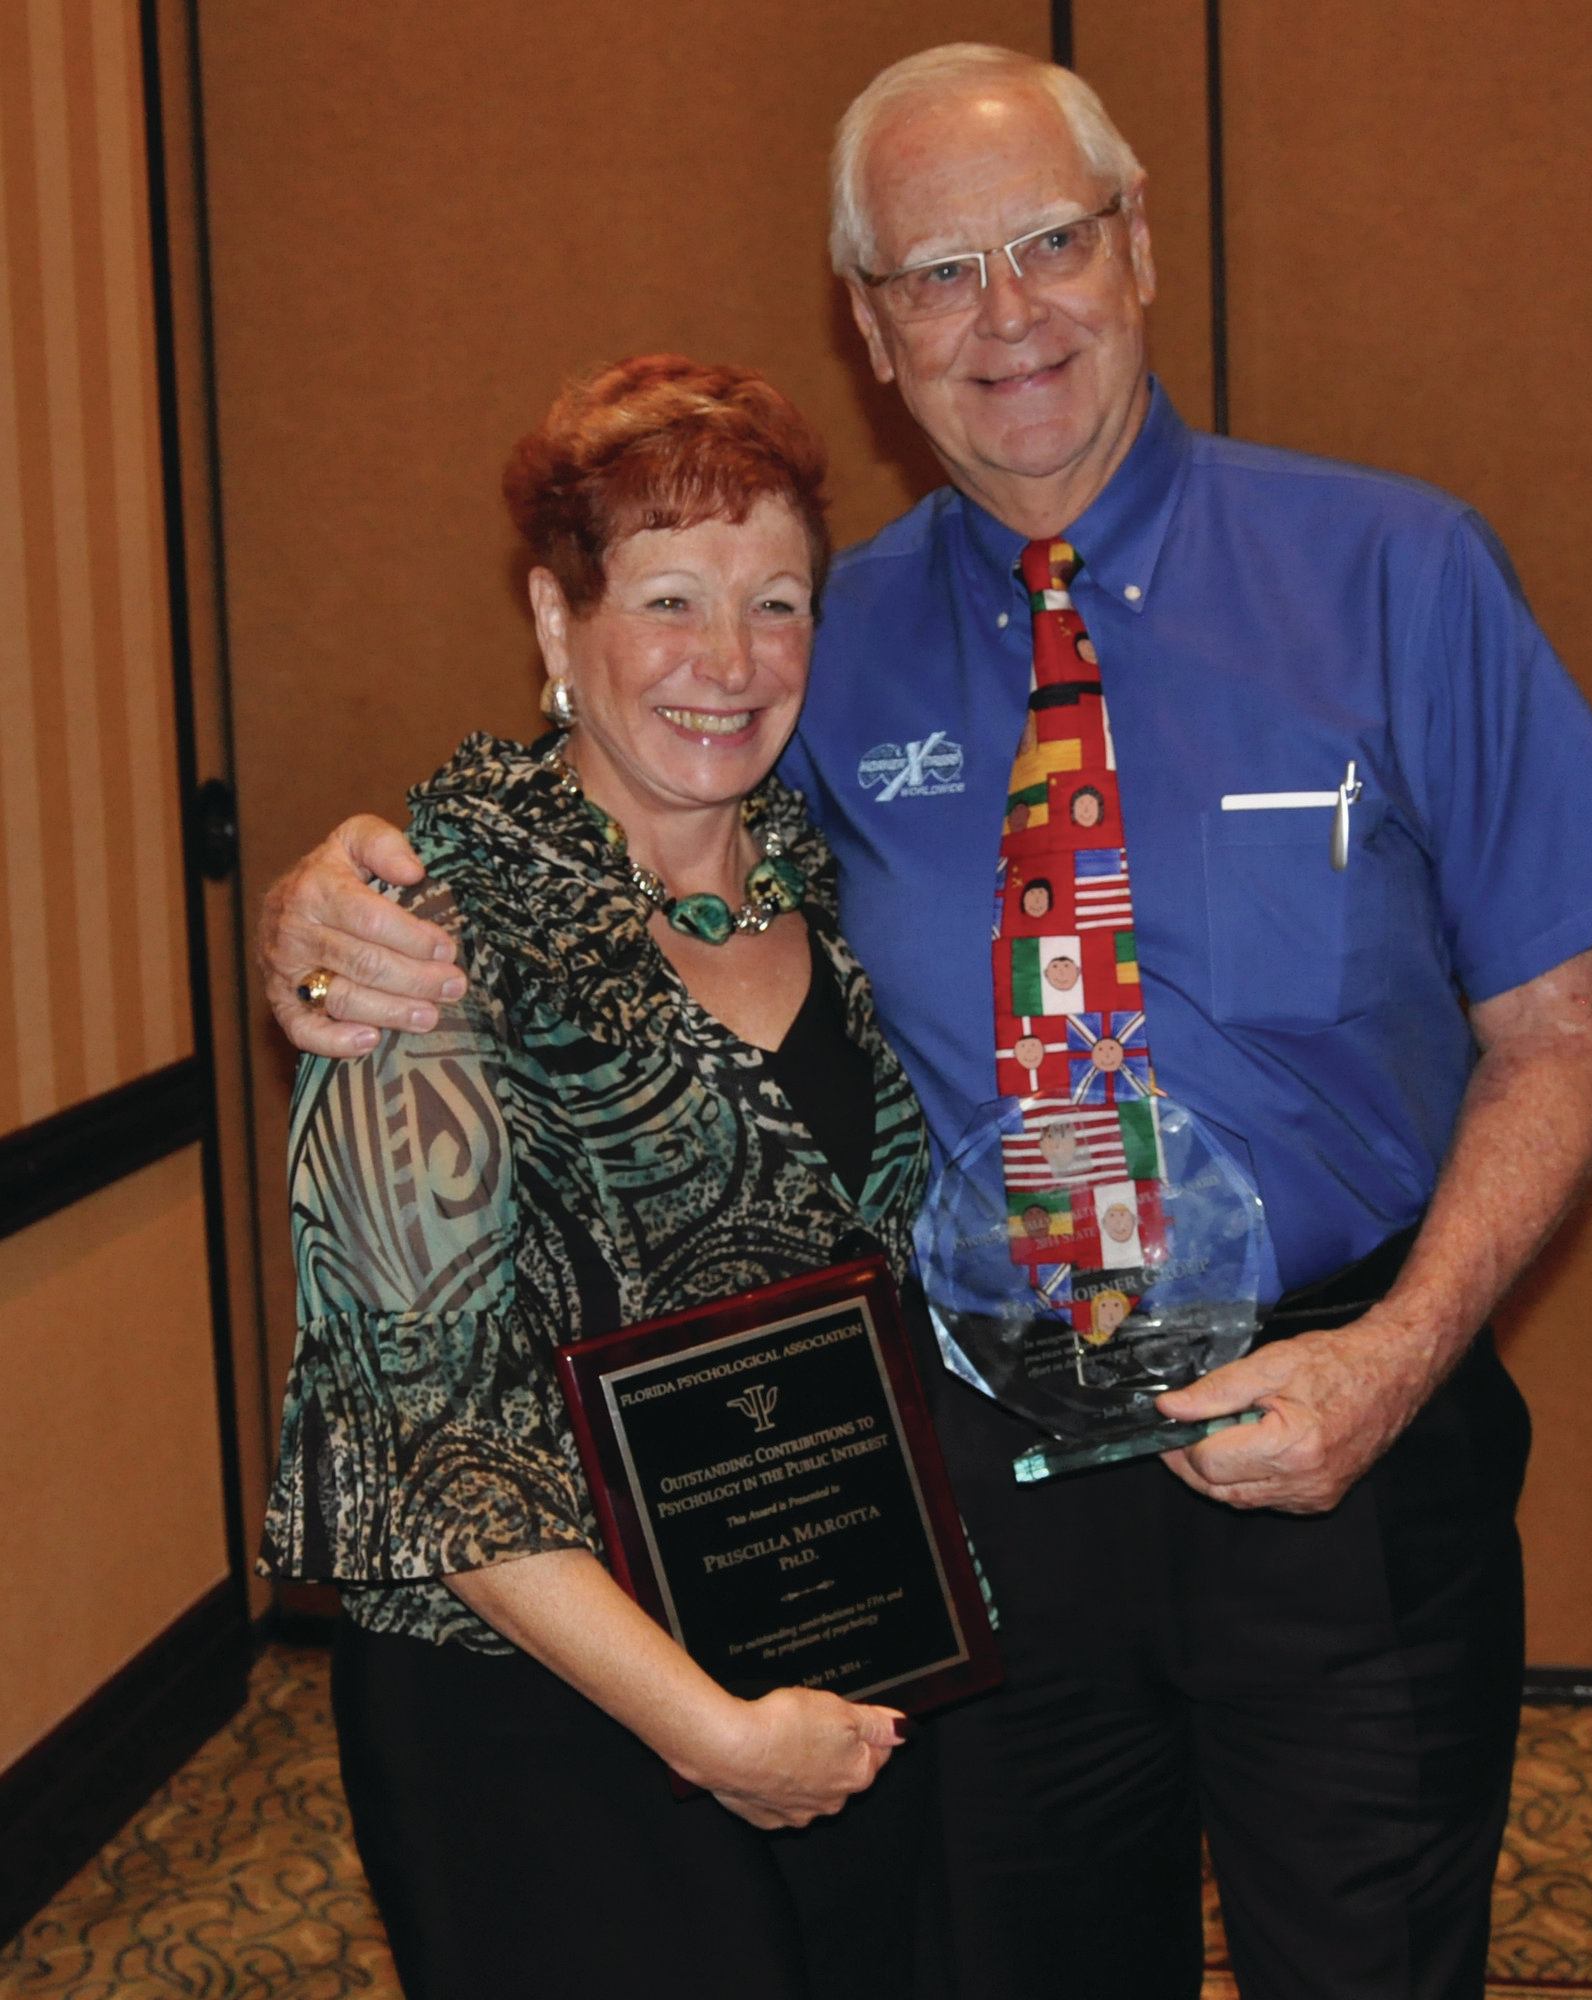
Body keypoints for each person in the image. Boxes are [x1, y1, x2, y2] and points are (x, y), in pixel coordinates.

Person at [258, 44, 1592, 2000]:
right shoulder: (826, 640)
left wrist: (1391, 1358)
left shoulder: (1396, 571)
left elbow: (1555, 1020)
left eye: (1046, 245)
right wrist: (345, 893)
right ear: (868, 329)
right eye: (935, 273)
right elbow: (619, 803)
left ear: (1135, 254)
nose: (1003, 313)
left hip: (1339, 1439)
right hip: (977, 1491)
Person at [257, 354, 936, 2000]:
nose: (729, 661)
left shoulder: (832, 882)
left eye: (777, 604)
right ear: (559, 626)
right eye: (671, 599)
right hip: (538, 1718)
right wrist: (709, 1734)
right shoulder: (423, 936)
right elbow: (428, 1436)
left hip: (825, 1650)